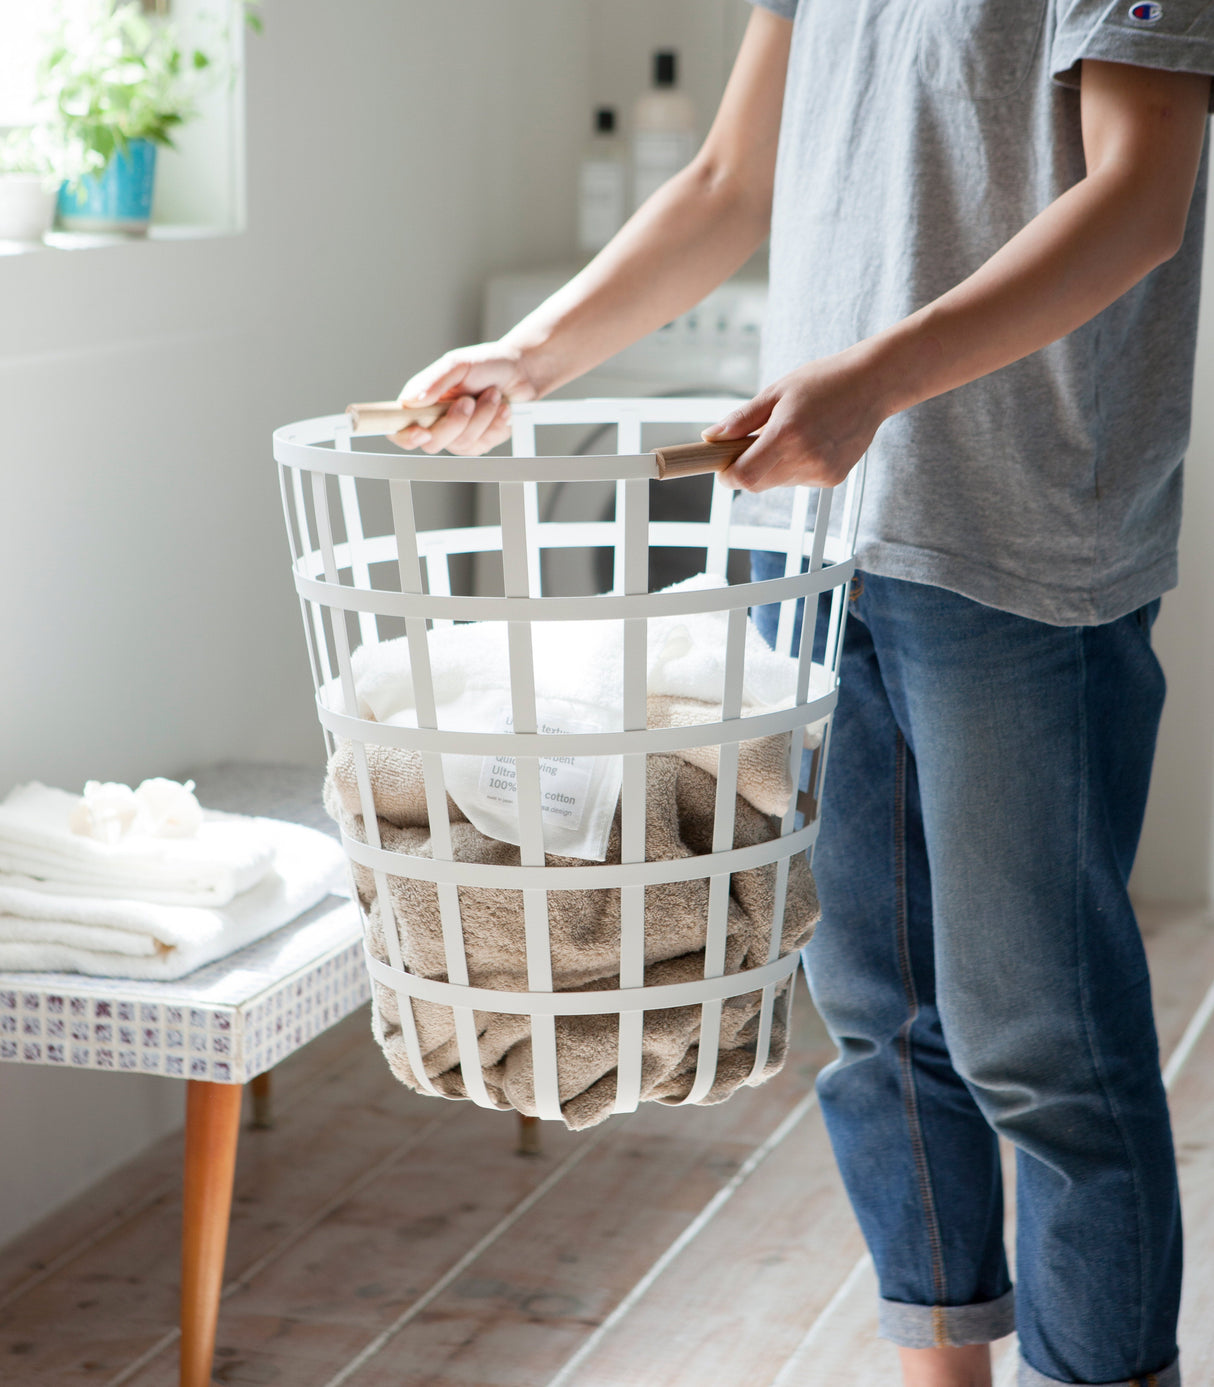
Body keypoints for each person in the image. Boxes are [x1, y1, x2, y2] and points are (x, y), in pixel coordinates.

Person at [391, 5, 1214, 1385]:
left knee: (1042, 1046)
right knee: (878, 1023)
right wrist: (532, 357)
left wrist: (876, 381)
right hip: (818, 539)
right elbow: (730, 178)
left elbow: (1139, 200)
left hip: (1021, 543)